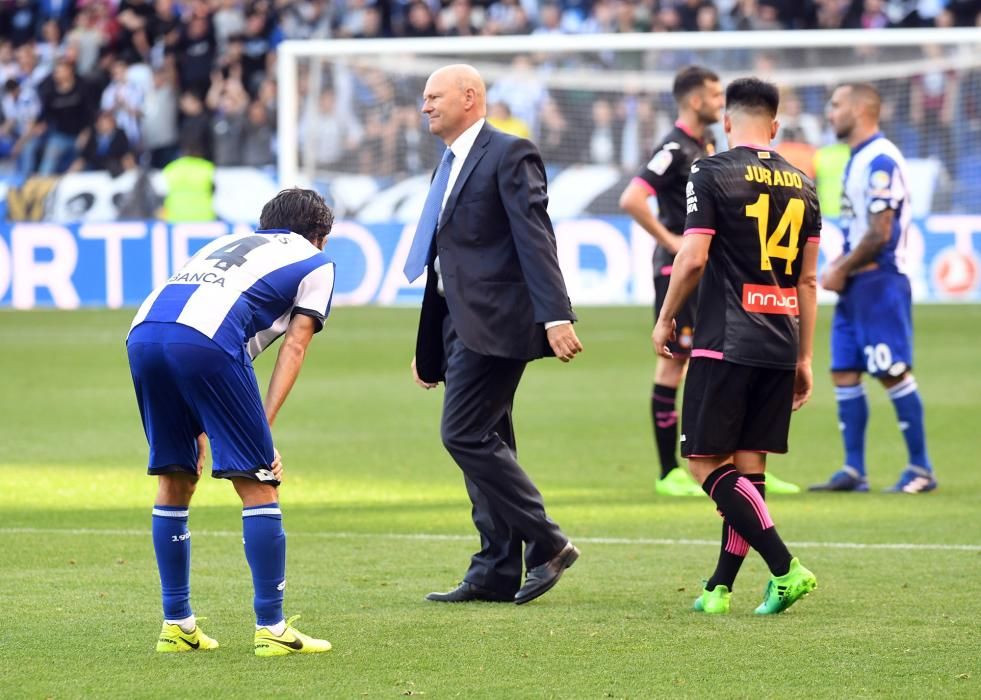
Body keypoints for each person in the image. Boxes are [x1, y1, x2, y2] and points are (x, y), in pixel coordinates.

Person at [126, 187, 337, 655]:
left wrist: (207, 424)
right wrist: (261, 430)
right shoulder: (316, 261)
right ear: (319, 235)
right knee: (259, 481)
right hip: (206, 341)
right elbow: (295, 345)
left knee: (176, 477)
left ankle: (177, 623)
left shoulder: (227, 243)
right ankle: (272, 628)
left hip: (143, 335)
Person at [406, 64, 583, 606]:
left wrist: (555, 315)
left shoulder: (510, 152)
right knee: (489, 440)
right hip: (457, 321)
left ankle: (549, 542)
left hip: (499, 320)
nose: (425, 105)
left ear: (470, 96)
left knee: (463, 435)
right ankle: (496, 568)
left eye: (434, 96)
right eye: (423, 96)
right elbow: (448, 257)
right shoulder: (449, 161)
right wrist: (430, 342)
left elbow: (535, 236)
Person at [652, 78, 820, 615]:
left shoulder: (710, 170)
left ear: (727, 122)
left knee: (704, 465)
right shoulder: (804, 183)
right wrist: (805, 357)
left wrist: (667, 315)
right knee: (749, 473)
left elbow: (694, 255)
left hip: (726, 338)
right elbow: (808, 282)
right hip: (780, 339)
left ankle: (786, 567)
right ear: (775, 125)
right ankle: (719, 588)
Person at [620, 66, 801, 497]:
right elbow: (633, 197)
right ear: (696, 100)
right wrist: (672, 241)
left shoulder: (706, 146)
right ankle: (669, 470)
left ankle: (746, 462)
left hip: (706, 271)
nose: (722, 102)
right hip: (678, 269)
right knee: (674, 363)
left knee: (721, 361)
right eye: (715, 94)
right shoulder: (673, 146)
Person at [810, 83, 937, 494]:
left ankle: (921, 469)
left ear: (862, 110)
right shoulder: (856, 159)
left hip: (880, 281)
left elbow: (881, 232)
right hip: (855, 282)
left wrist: (840, 268)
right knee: (844, 371)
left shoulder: (881, 160)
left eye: (836, 105)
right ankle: (854, 470)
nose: (829, 113)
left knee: (891, 370)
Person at [161, 136, 215, 222]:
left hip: (175, 218)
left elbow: (162, 194)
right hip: (204, 218)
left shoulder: (171, 168)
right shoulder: (207, 167)